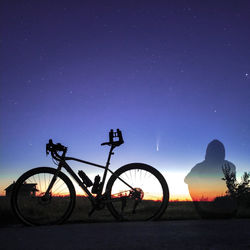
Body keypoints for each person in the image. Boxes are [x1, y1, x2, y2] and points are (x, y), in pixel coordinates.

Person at [185, 139, 237, 217]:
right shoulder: (230, 165)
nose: (215, 154)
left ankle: (204, 210)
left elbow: (187, 180)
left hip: (224, 207)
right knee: (191, 182)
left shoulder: (230, 166)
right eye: (214, 151)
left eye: (217, 151)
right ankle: (202, 209)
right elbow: (187, 180)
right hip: (207, 206)